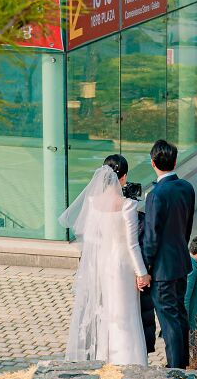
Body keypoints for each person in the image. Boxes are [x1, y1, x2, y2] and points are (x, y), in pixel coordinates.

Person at [60, 156, 148, 365]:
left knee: (106, 311)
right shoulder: (127, 205)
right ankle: (126, 361)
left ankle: (104, 358)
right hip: (122, 264)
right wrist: (142, 272)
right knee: (124, 314)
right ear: (123, 177)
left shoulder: (93, 202)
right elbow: (132, 244)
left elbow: (90, 236)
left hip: (101, 262)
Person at [141, 139, 196, 370]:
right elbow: (187, 226)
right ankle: (182, 362)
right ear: (175, 162)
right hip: (181, 263)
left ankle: (175, 369)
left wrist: (145, 268)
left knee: (169, 320)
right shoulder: (187, 187)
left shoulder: (156, 195)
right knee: (180, 315)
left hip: (162, 269)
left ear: (153, 163)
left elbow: (151, 237)